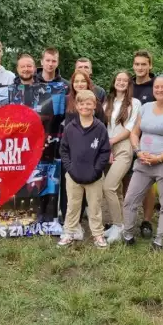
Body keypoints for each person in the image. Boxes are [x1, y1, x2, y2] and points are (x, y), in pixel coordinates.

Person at [122, 75, 163, 250]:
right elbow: (134, 132)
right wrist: (138, 151)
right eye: (156, 87)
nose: (159, 90)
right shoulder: (145, 108)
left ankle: (159, 240)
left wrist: (160, 157)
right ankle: (128, 233)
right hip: (143, 162)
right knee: (130, 199)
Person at [58, 90, 111, 248]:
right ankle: (69, 232)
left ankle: (98, 235)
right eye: (82, 103)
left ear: (94, 105)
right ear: (76, 105)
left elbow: (104, 151)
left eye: (89, 103)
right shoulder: (70, 127)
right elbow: (64, 150)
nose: (85, 106)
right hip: (73, 175)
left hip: (94, 176)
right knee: (72, 206)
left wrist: (96, 170)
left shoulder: (100, 127)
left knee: (95, 207)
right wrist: (70, 169)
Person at [59, 71, 104, 230]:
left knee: (90, 191)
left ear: (88, 83)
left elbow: (102, 127)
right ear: (72, 84)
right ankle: (71, 224)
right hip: (71, 154)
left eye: (82, 81)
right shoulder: (66, 100)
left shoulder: (94, 102)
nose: (79, 84)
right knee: (70, 192)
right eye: (76, 81)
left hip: (90, 154)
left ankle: (90, 223)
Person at [101, 71, 141, 243]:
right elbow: (102, 125)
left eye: (125, 80)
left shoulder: (134, 103)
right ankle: (117, 225)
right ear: (114, 81)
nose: (121, 82)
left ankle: (119, 226)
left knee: (108, 186)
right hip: (107, 147)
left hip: (123, 147)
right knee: (114, 190)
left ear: (129, 84)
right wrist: (106, 146)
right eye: (119, 79)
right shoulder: (107, 101)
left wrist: (110, 142)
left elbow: (130, 128)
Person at [129, 49, 158, 238]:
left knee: (147, 184)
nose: (140, 67)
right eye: (137, 64)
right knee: (127, 182)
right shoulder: (128, 84)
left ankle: (146, 221)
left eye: (143, 64)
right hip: (126, 140)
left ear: (150, 65)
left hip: (148, 141)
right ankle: (128, 218)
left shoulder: (157, 86)